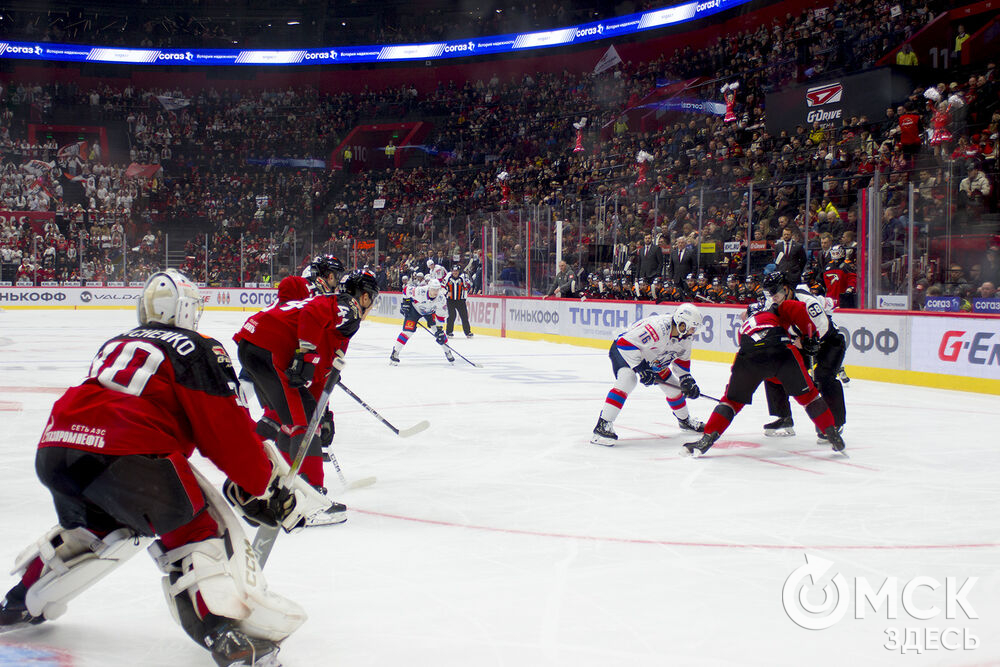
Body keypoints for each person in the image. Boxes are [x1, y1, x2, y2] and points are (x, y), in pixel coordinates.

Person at [0, 270, 328, 665]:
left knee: (91, 530)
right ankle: (222, 633)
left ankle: (19, 601)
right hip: (131, 452)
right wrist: (262, 484)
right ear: (190, 309)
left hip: (58, 447)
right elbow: (225, 431)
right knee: (197, 533)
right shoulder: (196, 346)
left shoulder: (117, 342)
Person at [233, 260, 358, 523]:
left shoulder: (311, 296)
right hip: (272, 347)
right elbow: (316, 349)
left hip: (254, 342)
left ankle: (254, 475)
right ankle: (310, 500)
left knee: (279, 415)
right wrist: (309, 361)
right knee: (303, 419)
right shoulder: (328, 304)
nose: (334, 282)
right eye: (332, 276)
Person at [681, 279, 846, 457]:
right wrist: (809, 338)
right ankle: (831, 433)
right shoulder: (777, 308)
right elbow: (797, 310)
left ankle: (706, 439)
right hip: (781, 351)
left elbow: (746, 348)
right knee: (809, 396)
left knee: (731, 401)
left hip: (749, 356)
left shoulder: (746, 324)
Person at [591, 303, 706, 446]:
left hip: (651, 356)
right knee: (628, 379)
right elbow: (624, 343)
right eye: (692, 328)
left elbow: (681, 360)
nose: (693, 332)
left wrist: (687, 379)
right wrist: (641, 368)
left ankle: (685, 421)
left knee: (675, 388)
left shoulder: (685, 337)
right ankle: (602, 426)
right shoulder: (658, 328)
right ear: (682, 324)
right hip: (625, 351)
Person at [757, 272, 847, 443]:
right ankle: (783, 417)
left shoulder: (807, 302)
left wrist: (808, 341)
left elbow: (824, 328)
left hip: (829, 342)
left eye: (775, 292)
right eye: (769, 293)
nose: (773, 297)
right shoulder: (773, 304)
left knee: (824, 377)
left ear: (786, 288)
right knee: (774, 370)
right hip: (803, 343)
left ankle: (835, 423)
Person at [390, 278, 453, 365]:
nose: (435, 292)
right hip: (414, 310)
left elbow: (441, 316)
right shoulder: (420, 291)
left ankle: (448, 351)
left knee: (439, 333)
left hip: (430, 312)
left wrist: (440, 329)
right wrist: (406, 302)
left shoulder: (441, 298)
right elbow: (406, 289)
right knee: (408, 331)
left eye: (437, 289)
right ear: (429, 288)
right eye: (433, 289)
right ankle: (395, 352)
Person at [444, 265, 473, 338]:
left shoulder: (462, 279)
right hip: (450, 301)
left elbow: (466, 288)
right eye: (454, 271)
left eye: (456, 271)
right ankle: (449, 332)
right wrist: (446, 293)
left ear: (458, 271)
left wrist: (465, 297)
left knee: (464, 316)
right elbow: (442, 287)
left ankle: (468, 332)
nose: (455, 272)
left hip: (460, 301)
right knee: (452, 316)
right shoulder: (448, 278)